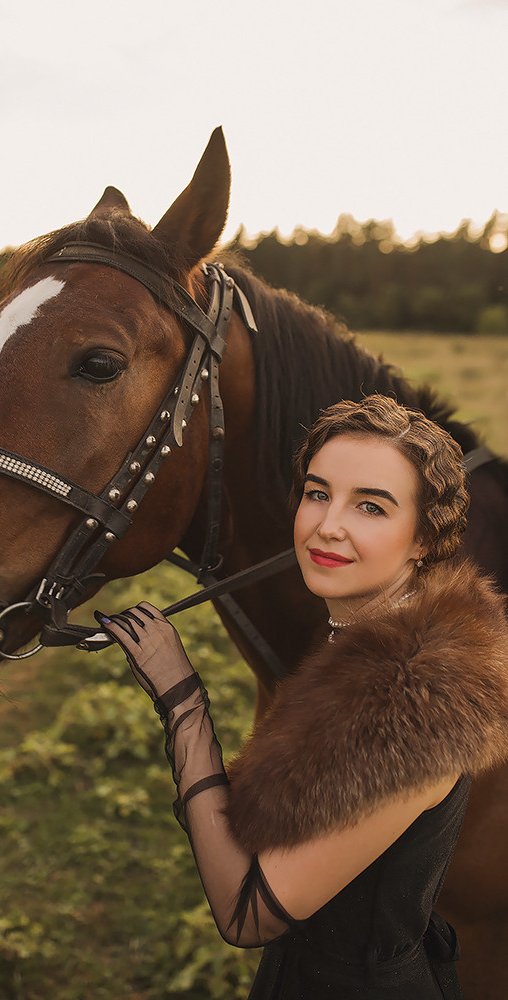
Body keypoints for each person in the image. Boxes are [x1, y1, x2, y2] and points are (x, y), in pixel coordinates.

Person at [96, 394, 508, 999]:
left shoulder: (417, 703)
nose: (328, 525)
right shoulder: (361, 637)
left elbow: (248, 914)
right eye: (318, 493)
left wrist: (183, 704)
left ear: (423, 539)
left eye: (370, 506)